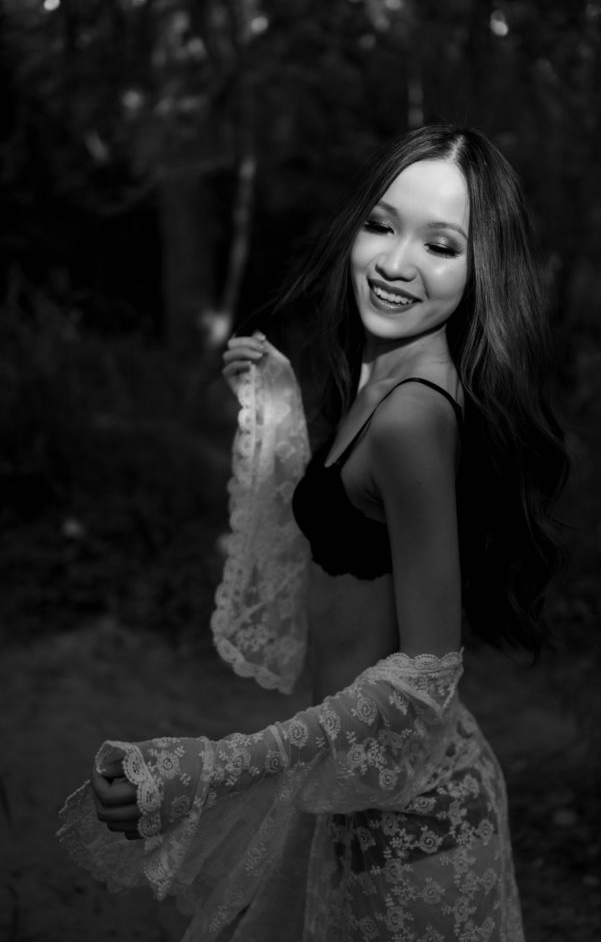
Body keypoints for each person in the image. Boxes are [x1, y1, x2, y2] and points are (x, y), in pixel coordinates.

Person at [57, 124, 568, 942]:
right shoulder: (381, 382)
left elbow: (424, 673)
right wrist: (281, 416)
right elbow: (338, 546)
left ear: (481, 273)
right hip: (351, 788)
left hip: (414, 817)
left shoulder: (410, 417)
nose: (397, 264)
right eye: (380, 224)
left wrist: (207, 770)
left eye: (440, 245)